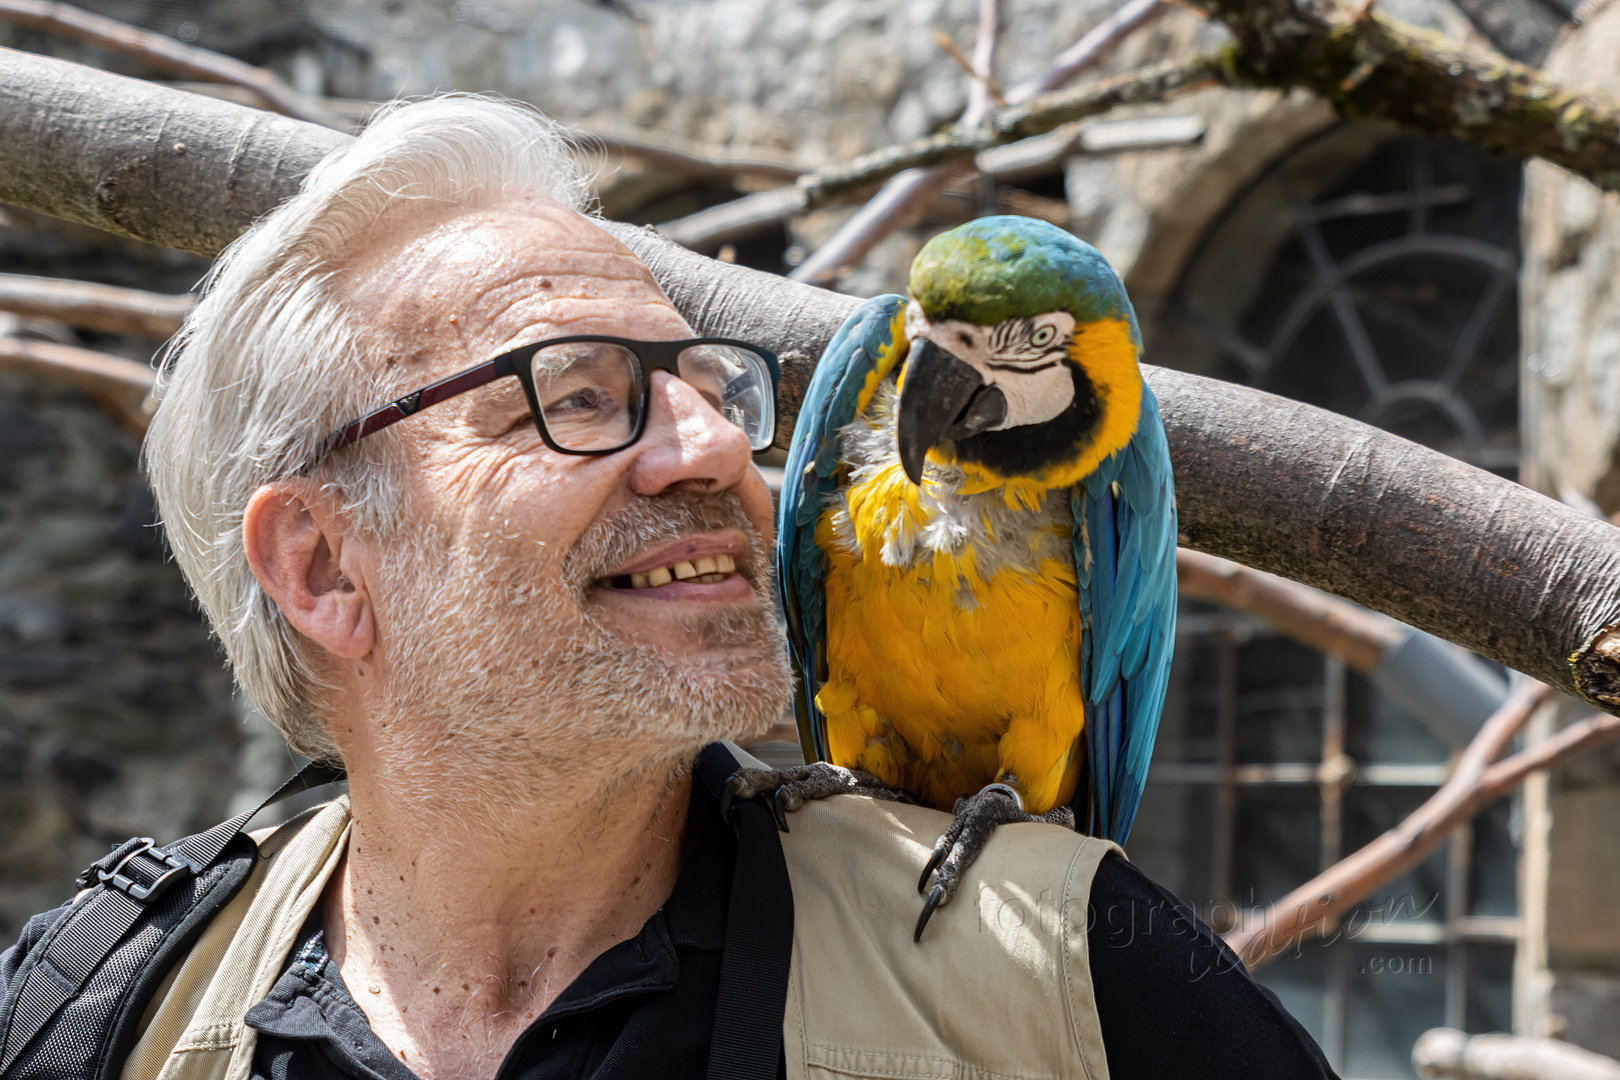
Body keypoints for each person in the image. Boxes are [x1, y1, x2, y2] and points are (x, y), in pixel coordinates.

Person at [0, 96, 1337, 1080]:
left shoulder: (1067, 979)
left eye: (710, 387)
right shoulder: (101, 1008)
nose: (719, 450)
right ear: (323, 563)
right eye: (579, 396)